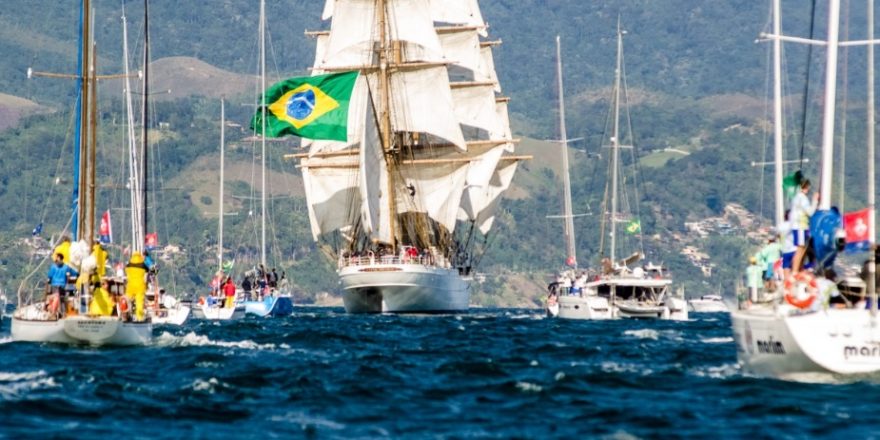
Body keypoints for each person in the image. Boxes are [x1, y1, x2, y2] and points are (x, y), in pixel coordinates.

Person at [790, 179, 818, 273]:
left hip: (797, 226)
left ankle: (797, 269)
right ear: (806, 187)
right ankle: (794, 271)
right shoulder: (802, 198)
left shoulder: (796, 197)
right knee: (800, 249)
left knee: (801, 249)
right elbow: (810, 212)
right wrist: (815, 201)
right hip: (801, 226)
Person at [46, 253, 77, 317]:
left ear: (59, 258)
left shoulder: (53, 267)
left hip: (55, 285)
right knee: (62, 299)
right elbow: (74, 273)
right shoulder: (66, 267)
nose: (56, 260)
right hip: (63, 286)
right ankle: (61, 312)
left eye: (57, 258)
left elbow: (49, 276)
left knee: (55, 297)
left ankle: (53, 311)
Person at [125, 252, 148, 321]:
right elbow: (146, 277)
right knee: (139, 304)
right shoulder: (143, 266)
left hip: (130, 286)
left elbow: (127, 275)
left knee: (127, 301)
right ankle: (140, 318)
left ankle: (126, 316)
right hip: (140, 287)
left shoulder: (128, 265)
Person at [778, 210, 796, 280]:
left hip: (785, 250)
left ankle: (787, 283)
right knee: (795, 267)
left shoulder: (781, 226)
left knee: (786, 266)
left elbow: (779, 236)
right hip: (794, 249)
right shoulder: (794, 225)